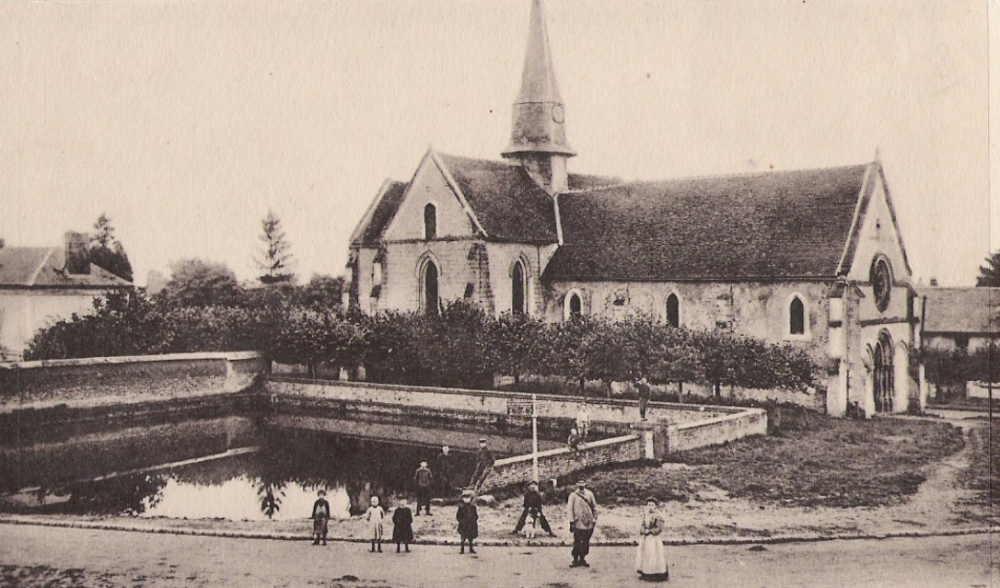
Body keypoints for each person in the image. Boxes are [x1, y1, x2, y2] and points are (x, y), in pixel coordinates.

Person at [636, 497, 669, 581]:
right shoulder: (645, 516)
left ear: (655, 507)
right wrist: (643, 531)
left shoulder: (658, 516)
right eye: (649, 505)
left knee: (655, 555)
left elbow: (659, 528)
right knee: (646, 555)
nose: (650, 507)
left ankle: (658, 574)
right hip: (646, 539)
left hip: (654, 539)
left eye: (652, 505)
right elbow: (642, 526)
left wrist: (650, 531)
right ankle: (646, 573)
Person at [567, 479, 598, 568]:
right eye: (579, 482)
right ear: (576, 484)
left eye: (583, 482)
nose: (581, 484)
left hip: (588, 522)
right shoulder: (573, 495)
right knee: (577, 541)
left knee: (585, 541)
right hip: (577, 522)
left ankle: (582, 559)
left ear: (585, 483)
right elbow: (570, 509)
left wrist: (594, 519)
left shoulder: (589, 494)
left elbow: (594, 507)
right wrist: (571, 521)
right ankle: (575, 559)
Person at [456, 489, 479, 554]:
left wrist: (473, 520)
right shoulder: (461, 507)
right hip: (463, 524)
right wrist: (461, 521)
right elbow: (458, 516)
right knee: (463, 537)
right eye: (465, 498)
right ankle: (462, 549)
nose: (466, 499)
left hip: (471, 524)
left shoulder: (473, 507)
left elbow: (476, 515)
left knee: (470, 537)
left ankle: (471, 548)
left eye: (468, 497)